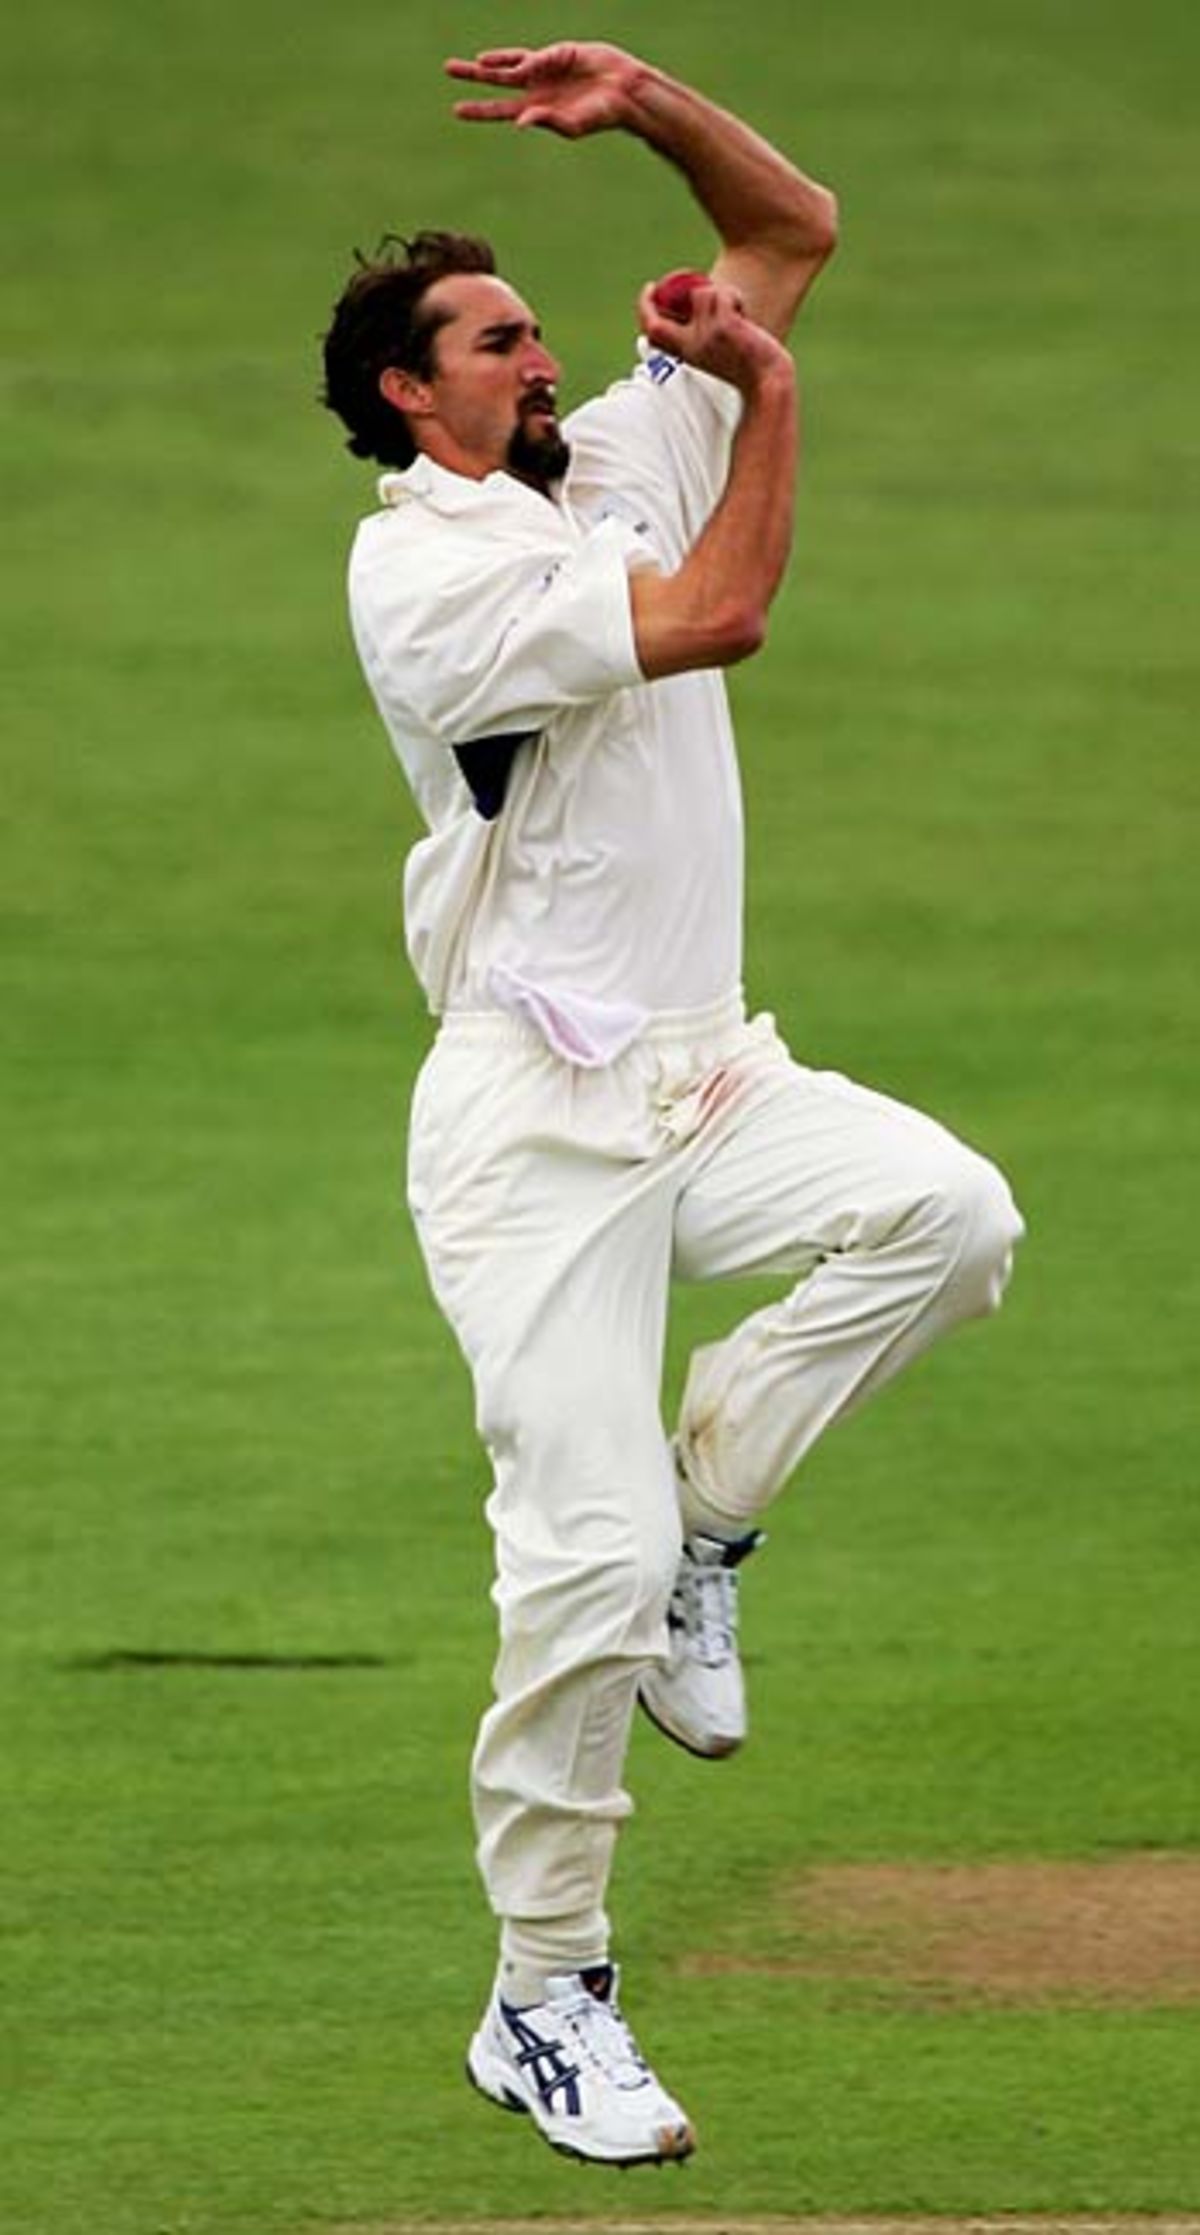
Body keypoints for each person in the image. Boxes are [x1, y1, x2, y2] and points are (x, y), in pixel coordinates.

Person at [320, 39, 1023, 2170]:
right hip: (531, 1126)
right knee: (575, 1570)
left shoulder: (608, 448)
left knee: (954, 1218)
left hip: (708, 1070)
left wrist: (645, 98)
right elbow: (722, 611)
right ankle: (543, 1998)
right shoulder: (426, 576)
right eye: (495, 338)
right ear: (404, 402)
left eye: (539, 328)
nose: (544, 350)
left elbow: (787, 231)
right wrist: (773, 400)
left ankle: (722, 1509)